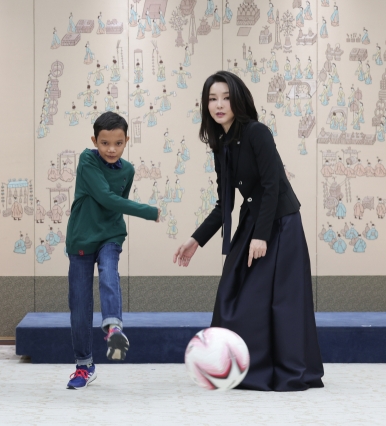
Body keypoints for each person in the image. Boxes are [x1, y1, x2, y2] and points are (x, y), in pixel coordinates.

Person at [172, 71, 324, 391]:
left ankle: (275, 371)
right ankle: (234, 369)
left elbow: (272, 186)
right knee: (232, 294)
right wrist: (195, 240)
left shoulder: (257, 132)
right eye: (212, 99)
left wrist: (261, 236)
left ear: (238, 99)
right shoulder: (221, 145)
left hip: (280, 224)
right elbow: (223, 204)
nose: (219, 104)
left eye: (226, 97)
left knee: (274, 302)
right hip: (255, 222)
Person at [65, 112, 160, 390]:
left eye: (118, 143)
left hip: (110, 235)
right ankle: (84, 366)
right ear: (95, 140)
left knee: (109, 271)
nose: (111, 149)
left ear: (126, 141)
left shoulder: (128, 170)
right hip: (82, 238)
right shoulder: (87, 160)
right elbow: (106, 198)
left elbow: (117, 204)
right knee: (80, 305)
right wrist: (149, 211)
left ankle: (114, 328)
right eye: (105, 143)